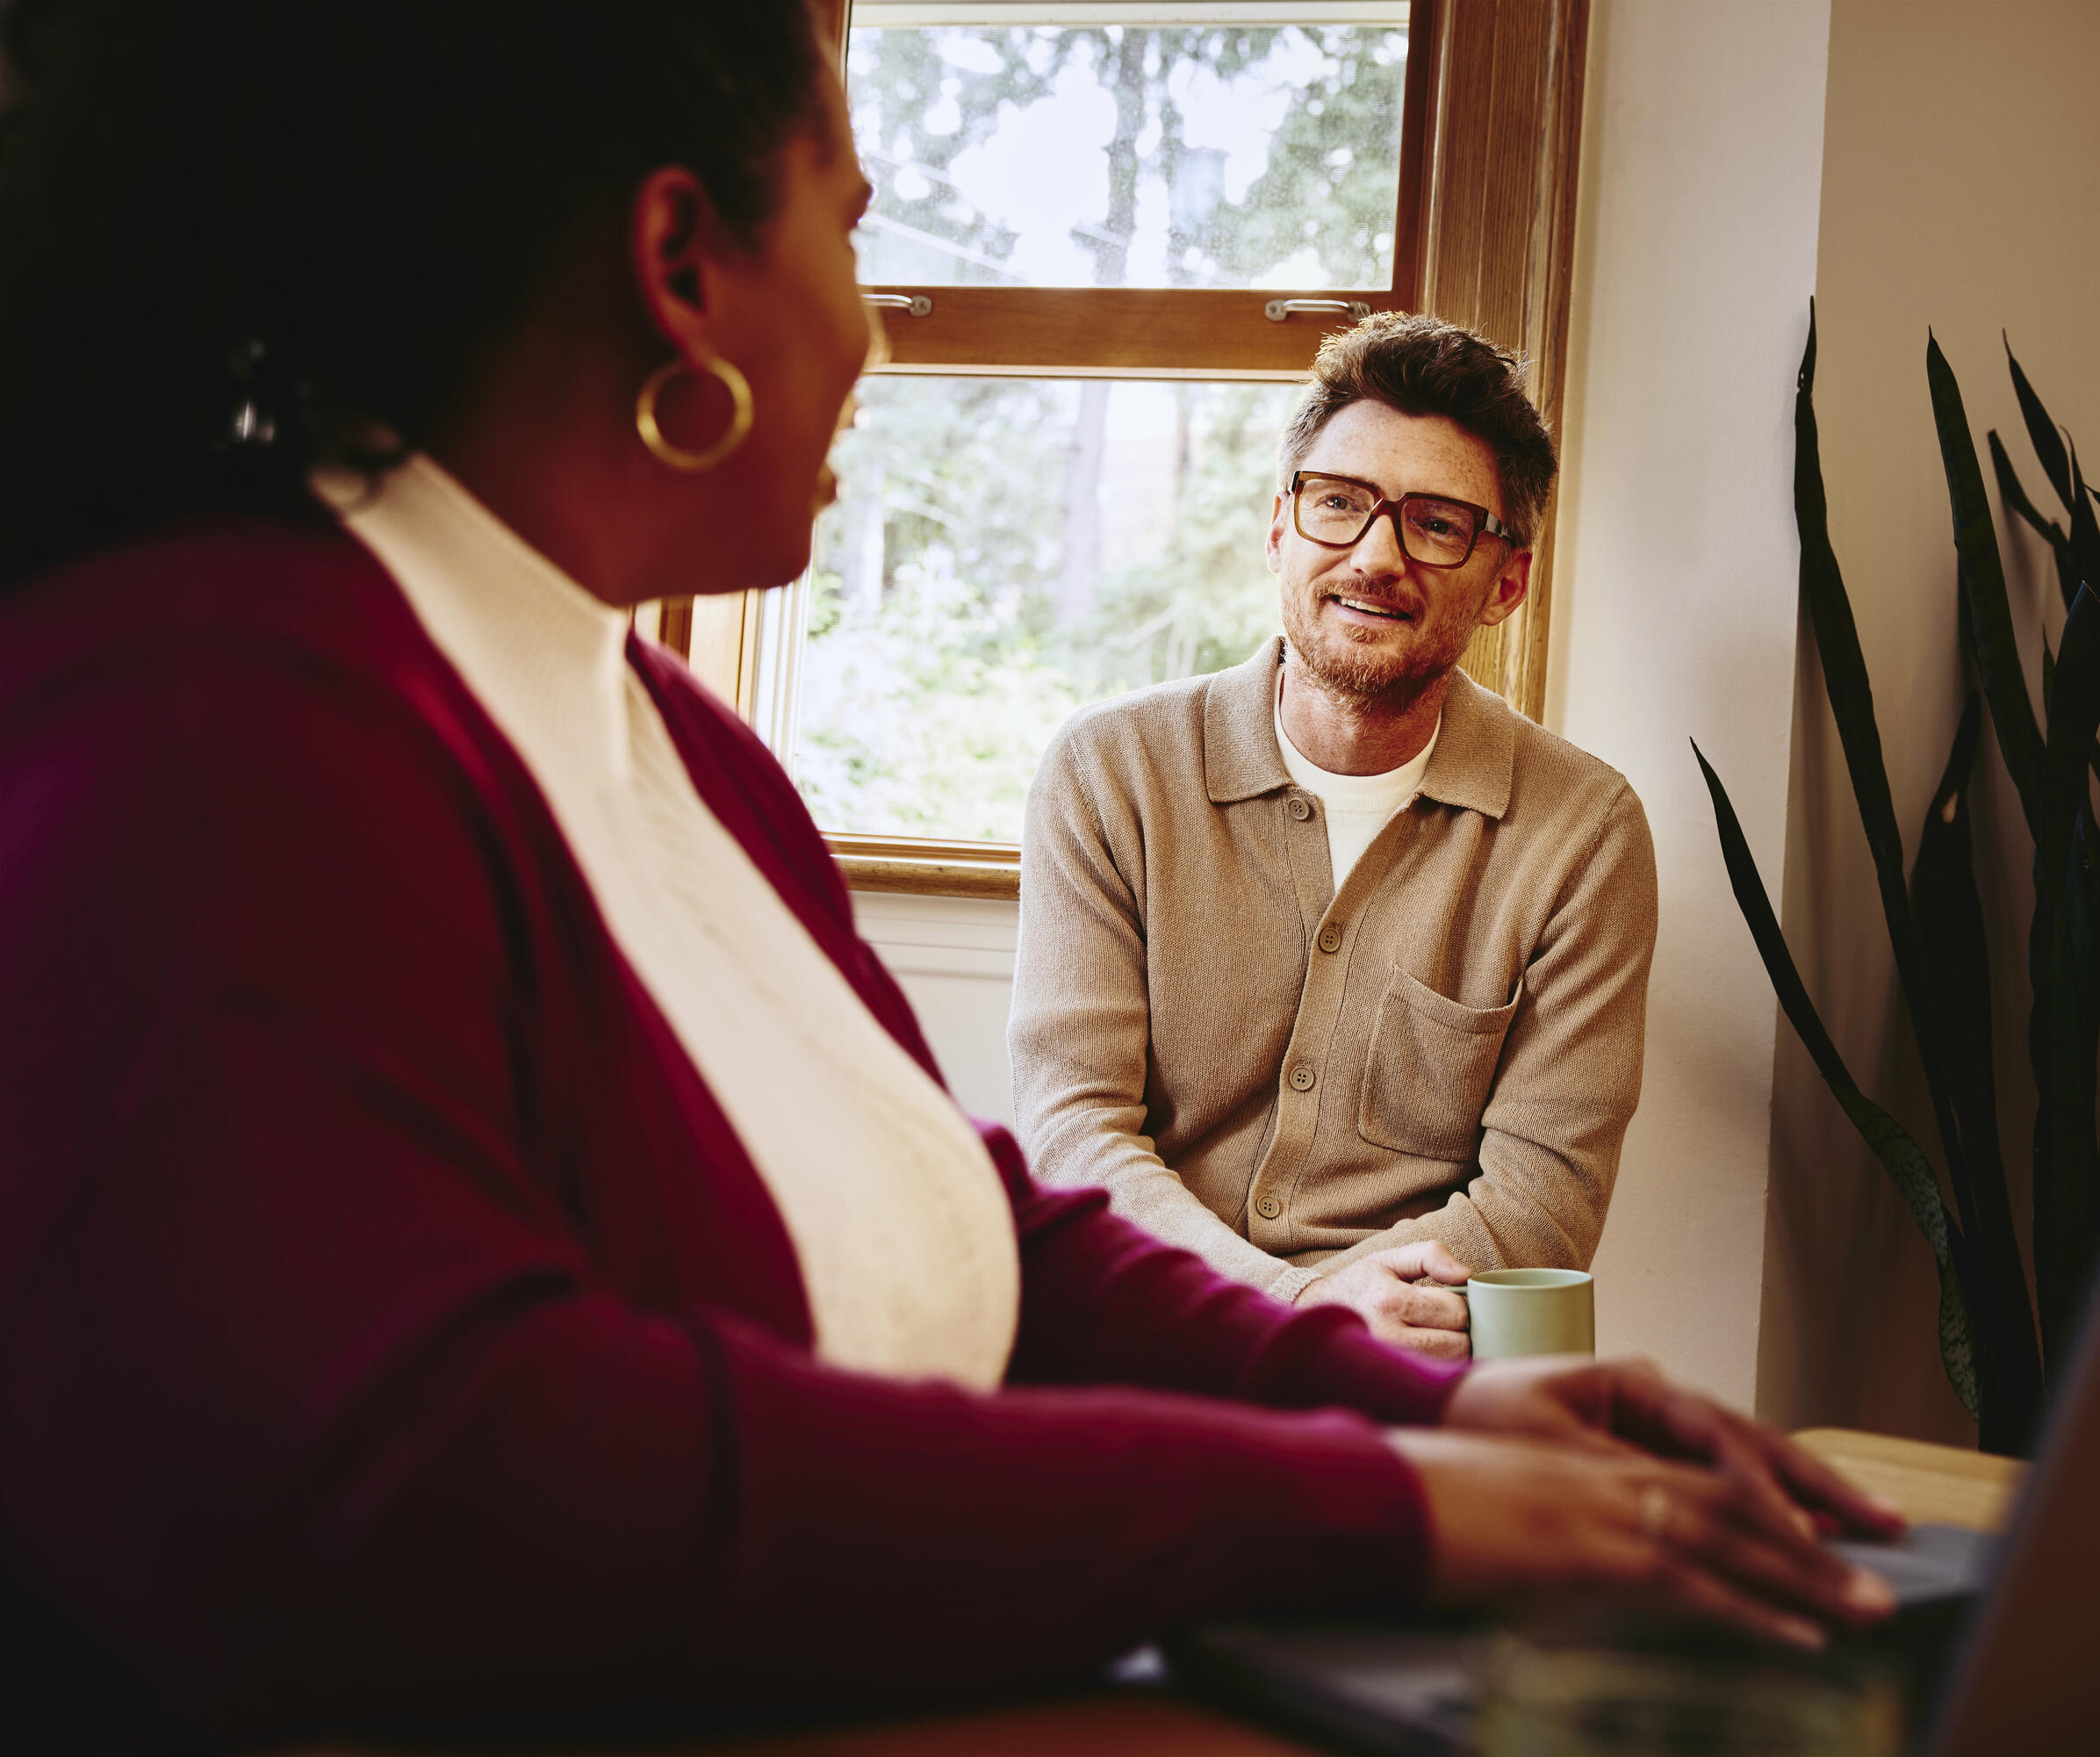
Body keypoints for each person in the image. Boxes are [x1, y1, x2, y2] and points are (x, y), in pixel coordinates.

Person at [0, 1, 1900, 1746]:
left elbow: (990, 1225)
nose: (873, 324)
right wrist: (1374, 1501)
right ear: (680, 268)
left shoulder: (675, 743)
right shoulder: (215, 728)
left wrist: (1447, 1408)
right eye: (849, 226)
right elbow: (472, 1481)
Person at [1010, 313, 1654, 1359]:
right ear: (1279, 528)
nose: (1376, 555)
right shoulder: (1109, 771)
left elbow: (1546, 1194)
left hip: (1413, 1353)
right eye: (1339, 504)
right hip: (1153, 1334)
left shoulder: (1584, 830)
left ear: (1506, 581)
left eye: (1438, 523)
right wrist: (1292, 1315)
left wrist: (1357, 1327)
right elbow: (1075, 1132)